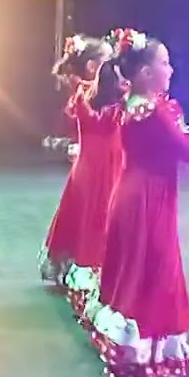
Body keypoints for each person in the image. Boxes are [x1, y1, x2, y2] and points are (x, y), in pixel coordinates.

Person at [88, 29, 189, 377]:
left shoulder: (131, 106)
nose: (170, 70)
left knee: (137, 268)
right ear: (144, 73)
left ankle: (131, 346)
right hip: (149, 198)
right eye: (164, 63)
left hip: (131, 192)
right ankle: (147, 356)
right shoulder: (152, 111)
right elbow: (187, 151)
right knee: (157, 269)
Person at [39, 33, 124, 318]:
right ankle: (89, 273)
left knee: (84, 212)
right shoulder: (95, 93)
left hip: (91, 163)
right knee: (97, 214)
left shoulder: (87, 90)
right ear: (92, 66)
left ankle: (78, 267)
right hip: (101, 164)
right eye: (108, 61)